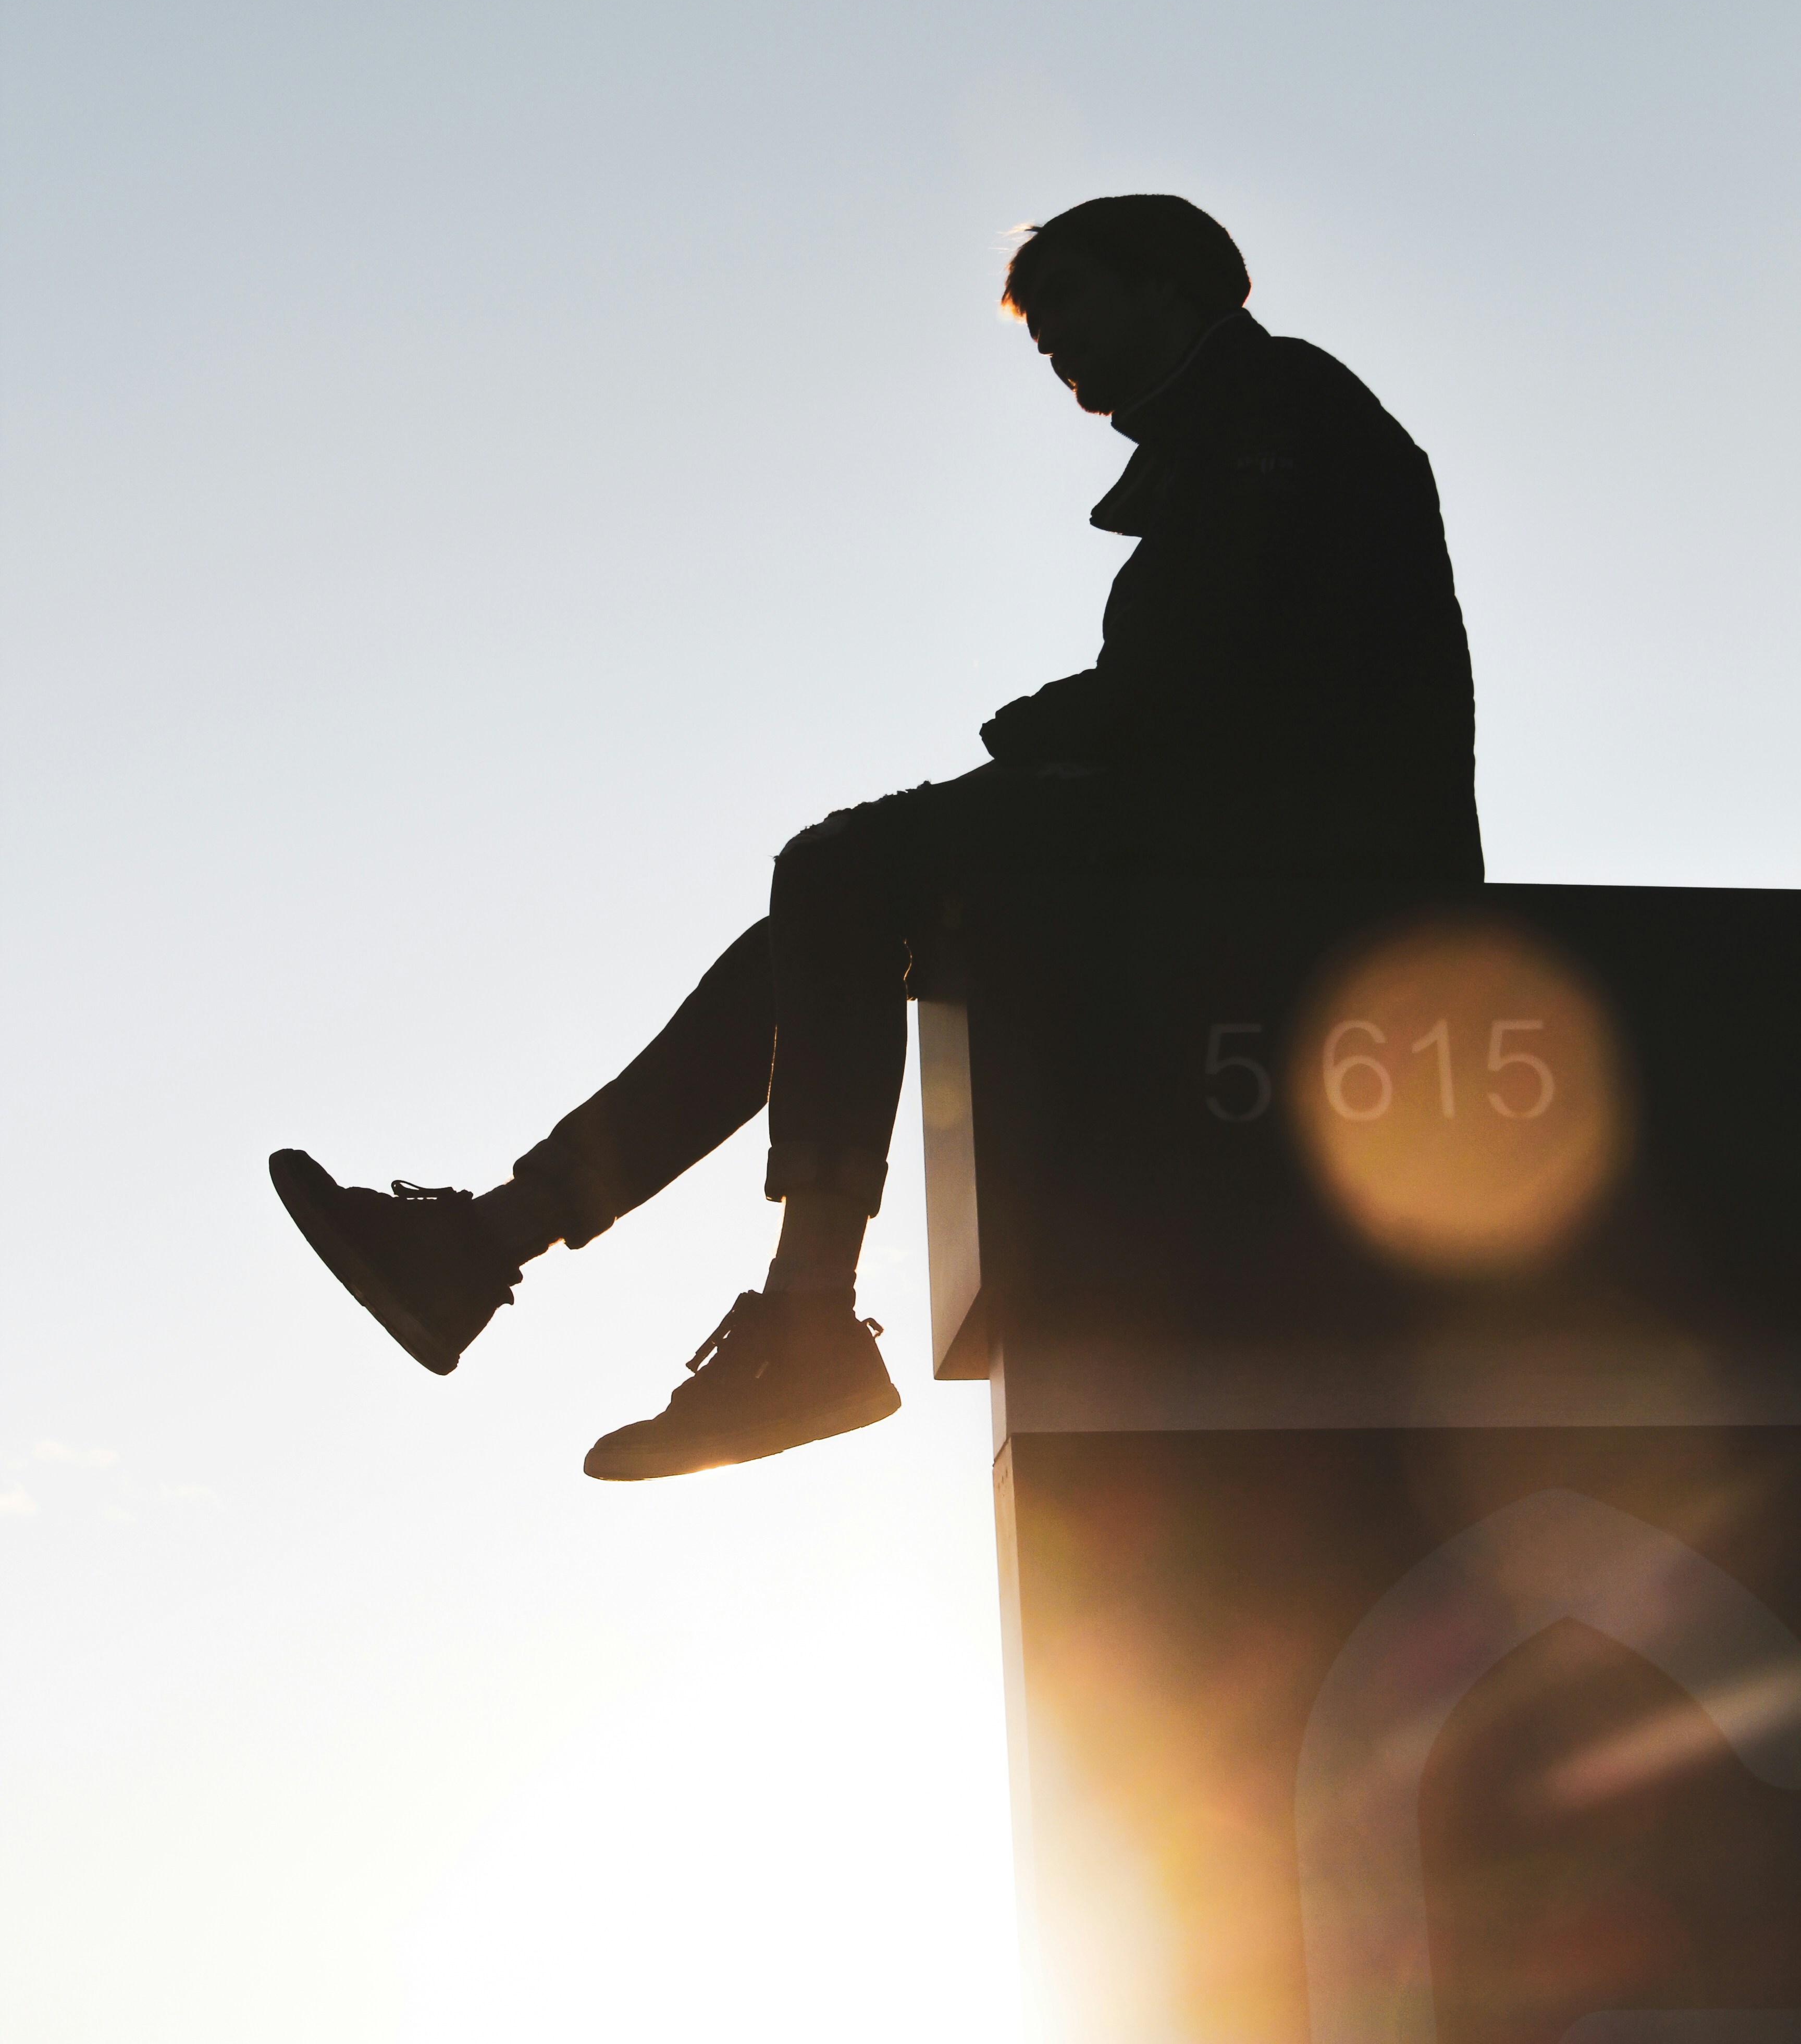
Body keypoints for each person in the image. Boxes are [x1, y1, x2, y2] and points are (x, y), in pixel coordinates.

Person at [270, 194, 1482, 1479]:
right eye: (1037, 317)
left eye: (1072, 297)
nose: (1051, 335)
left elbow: (1221, 674)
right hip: (1243, 821)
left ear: (1174, 285)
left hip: (1303, 846)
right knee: (819, 921)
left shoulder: (1281, 415)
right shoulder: (1234, 438)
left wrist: (1060, 723)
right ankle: (496, 1243)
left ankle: (800, 1320)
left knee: (840, 869)